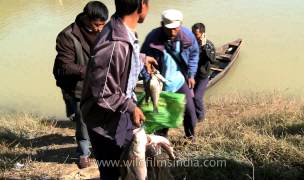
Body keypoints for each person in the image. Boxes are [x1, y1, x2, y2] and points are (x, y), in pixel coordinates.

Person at [80, 0, 156, 179]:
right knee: (112, 173)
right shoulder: (115, 43)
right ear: (141, 5)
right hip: (105, 126)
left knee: (128, 168)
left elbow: (121, 61)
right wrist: (130, 107)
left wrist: (141, 58)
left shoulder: (121, 30)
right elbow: (103, 94)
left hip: (117, 118)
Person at [53, 1, 108, 169]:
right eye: (96, 25)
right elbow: (66, 65)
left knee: (102, 116)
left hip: (99, 83)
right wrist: (93, 70)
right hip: (75, 84)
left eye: (102, 24)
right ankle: (84, 152)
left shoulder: (106, 31)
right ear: (86, 18)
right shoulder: (67, 35)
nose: (100, 28)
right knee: (82, 121)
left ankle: (99, 145)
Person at [141, 9, 199, 140]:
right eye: (169, 29)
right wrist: (148, 78)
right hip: (160, 84)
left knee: (190, 112)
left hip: (180, 81)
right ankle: (161, 142)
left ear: (180, 25)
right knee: (162, 117)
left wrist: (191, 74)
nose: (173, 32)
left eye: (176, 29)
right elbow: (143, 60)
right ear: (162, 25)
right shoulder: (152, 38)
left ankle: (190, 138)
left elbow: (194, 54)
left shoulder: (188, 36)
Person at [191, 23, 217, 122]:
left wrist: (203, 47)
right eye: (192, 33)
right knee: (190, 98)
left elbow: (213, 60)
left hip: (203, 76)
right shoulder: (190, 43)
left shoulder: (209, 45)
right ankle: (193, 115)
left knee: (197, 97)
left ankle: (201, 118)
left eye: (196, 34)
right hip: (192, 76)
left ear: (202, 34)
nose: (193, 36)